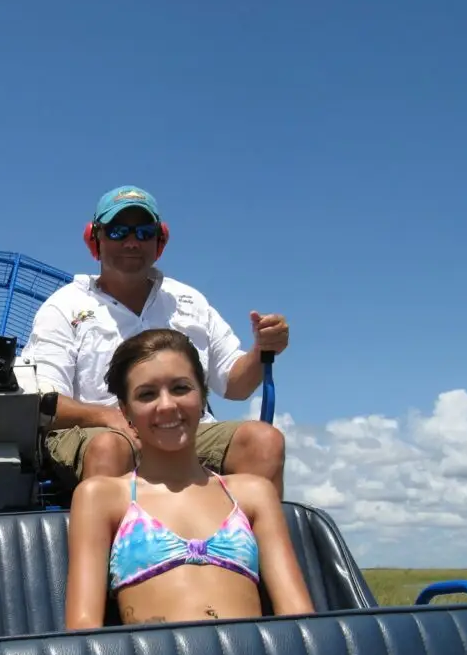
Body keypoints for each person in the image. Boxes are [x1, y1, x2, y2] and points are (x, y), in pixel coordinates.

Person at [22, 184, 290, 494]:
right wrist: (108, 417)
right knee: (110, 449)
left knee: (264, 441)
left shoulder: (190, 301)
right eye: (118, 231)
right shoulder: (63, 306)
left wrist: (262, 349)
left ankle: (254, 540)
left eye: (144, 232)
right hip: (99, 433)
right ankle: (113, 540)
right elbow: (42, 401)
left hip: (186, 430)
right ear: (94, 240)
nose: (132, 242)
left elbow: (236, 385)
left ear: (159, 242)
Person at [64, 328, 313, 629]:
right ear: (125, 411)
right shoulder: (102, 497)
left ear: (203, 395)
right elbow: (83, 625)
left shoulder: (252, 493)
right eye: (147, 394)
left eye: (181, 388)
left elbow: (298, 614)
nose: (167, 405)